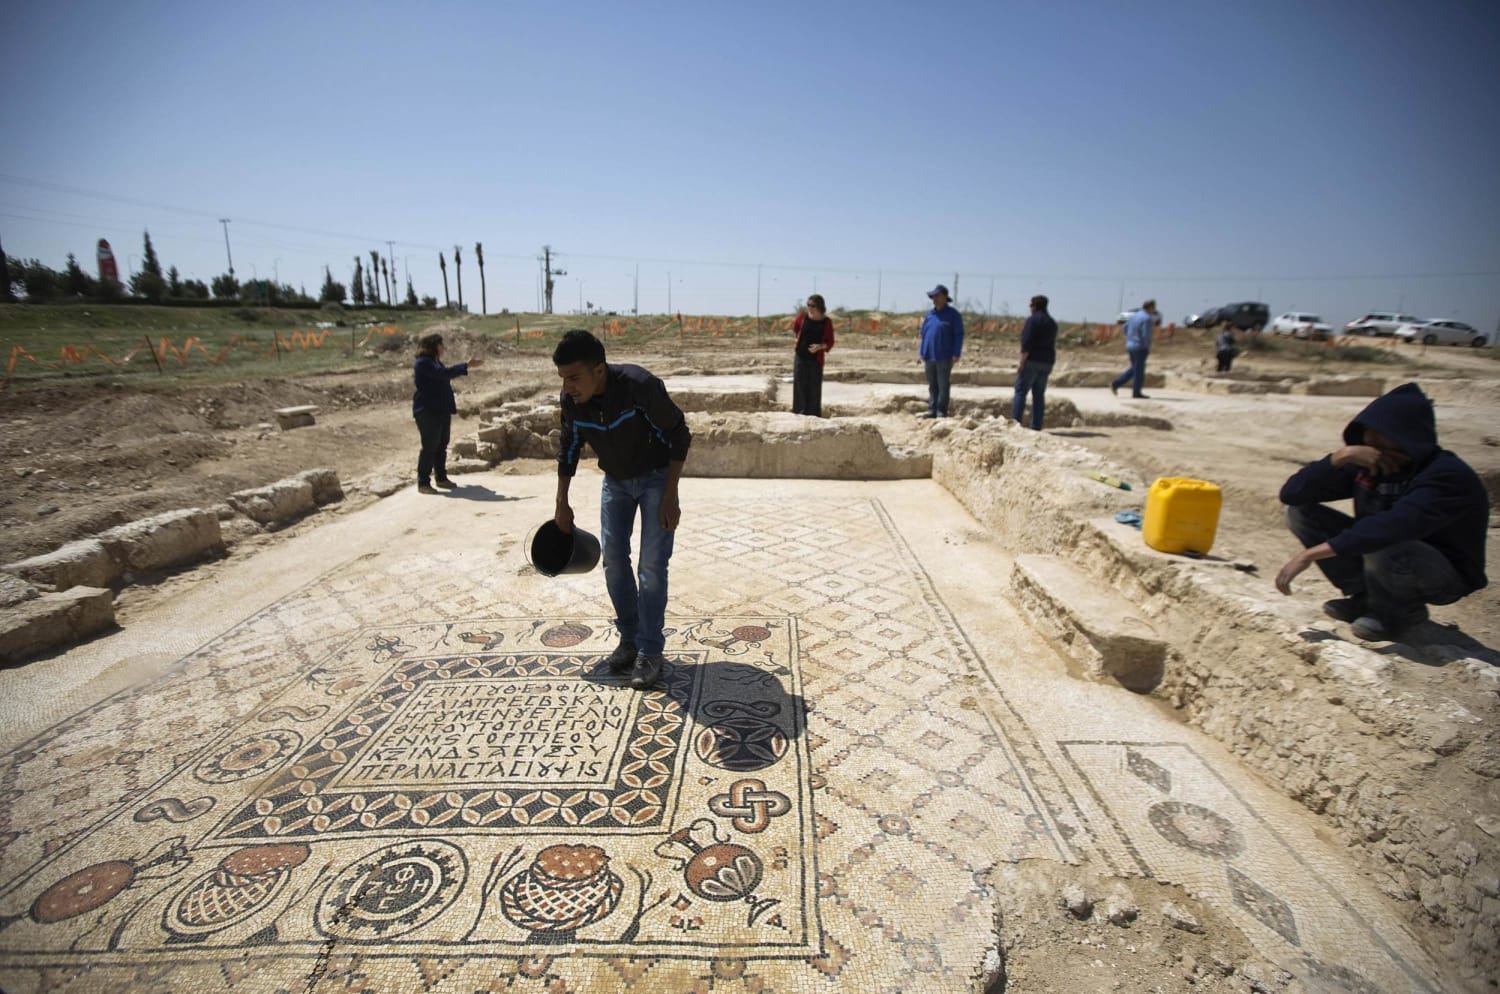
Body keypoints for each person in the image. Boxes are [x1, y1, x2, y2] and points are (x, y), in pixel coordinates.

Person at [1275, 382, 1489, 642]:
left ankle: (1398, 612)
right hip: (1386, 553)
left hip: (1442, 574)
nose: (1372, 440)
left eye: (1382, 433)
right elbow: (1293, 494)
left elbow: (1393, 526)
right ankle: (1365, 596)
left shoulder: (1445, 475)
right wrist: (1339, 458)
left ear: (1406, 434)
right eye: (1368, 432)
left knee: (1383, 538)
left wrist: (1310, 554)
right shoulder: (1372, 463)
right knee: (1299, 513)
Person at [553, 330, 691, 690]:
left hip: (656, 479)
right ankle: (629, 640)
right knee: (613, 560)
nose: (568, 386)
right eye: (563, 378)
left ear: (599, 370)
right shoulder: (572, 401)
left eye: (574, 377)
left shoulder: (638, 386)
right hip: (615, 481)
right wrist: (561, 503)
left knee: (651, 566)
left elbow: (680, 434)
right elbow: (568, 448)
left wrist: (670, 495)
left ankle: (650, 651)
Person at [412, 333, 482, 494]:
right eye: (441, 345)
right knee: (430, 446)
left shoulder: (435, 362)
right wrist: (466, 366)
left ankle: (441, 478)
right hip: (428, 411)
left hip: (441, 410)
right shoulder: (423, 363)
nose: (444, 348)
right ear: (433, 346)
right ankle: (423, 482)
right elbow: (443, 374)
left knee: (441, 446)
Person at [1012, 294, 1058, 430]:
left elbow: (1026, 343)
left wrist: (1021, 363)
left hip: (1032, 361)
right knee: (1039, 395)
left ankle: (1015, 424)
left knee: (1020, 391)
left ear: (1034, 306)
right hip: (1047, 362)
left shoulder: (1032, 321)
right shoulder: (1052, 323)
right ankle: (1036, 426)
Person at [918, 284, 964, 418]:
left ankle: (941, 411)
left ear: (945, 297)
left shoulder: (953, 315)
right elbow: (924, 334)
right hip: (929, 355)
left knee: (943, 385)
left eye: (937, 296)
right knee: (932, 385)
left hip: (944, 356)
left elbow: (958, 335)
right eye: (933, 297)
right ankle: (932, 409)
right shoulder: (930, 315)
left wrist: (956, 353)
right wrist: (922, 352)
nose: (934, 299)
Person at [791, 293, 836, 417]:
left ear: (820, 306)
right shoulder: (803, 317)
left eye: (812, 305)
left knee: (814, 388)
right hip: (800, 356)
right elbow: (795, 329)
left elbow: (830, 342)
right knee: (799, 386)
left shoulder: (826, 322)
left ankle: (813, 416)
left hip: (816, 359)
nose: (809, 307)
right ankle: (799, 414)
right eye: (808, 304)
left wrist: (819, 347)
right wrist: (797, 339)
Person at [1110, 299, 1157, 398]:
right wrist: (1147, 346)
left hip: (1131, 345)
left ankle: (1116, 384)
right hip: (1140, 347)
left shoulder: (1134, 316)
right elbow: (1146, 335)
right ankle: (1136, 392)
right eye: (1153, 308)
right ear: (1150, 307)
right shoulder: (1147, 319)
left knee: (1134, 368)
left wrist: (1131, 337)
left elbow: (1125, 328)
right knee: (1139, 370)